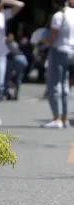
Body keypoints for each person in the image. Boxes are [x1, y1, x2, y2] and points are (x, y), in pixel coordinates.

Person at [43, 0, 74, 128]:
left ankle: (57, 118)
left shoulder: (58, 16)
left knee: (54, 84)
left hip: (59, 50)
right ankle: (65, 118)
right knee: (65, 85)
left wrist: (43, 38)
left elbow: (52, 37)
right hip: (71, 50)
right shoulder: (72, 14)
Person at [4, 32, 28, 100]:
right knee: (18, 77)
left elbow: (7, 55)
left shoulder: (5, 44)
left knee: (6, 76)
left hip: (15, 58)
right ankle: (16, 95)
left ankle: (6, 93)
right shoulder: (14, 44)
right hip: (23, 59)